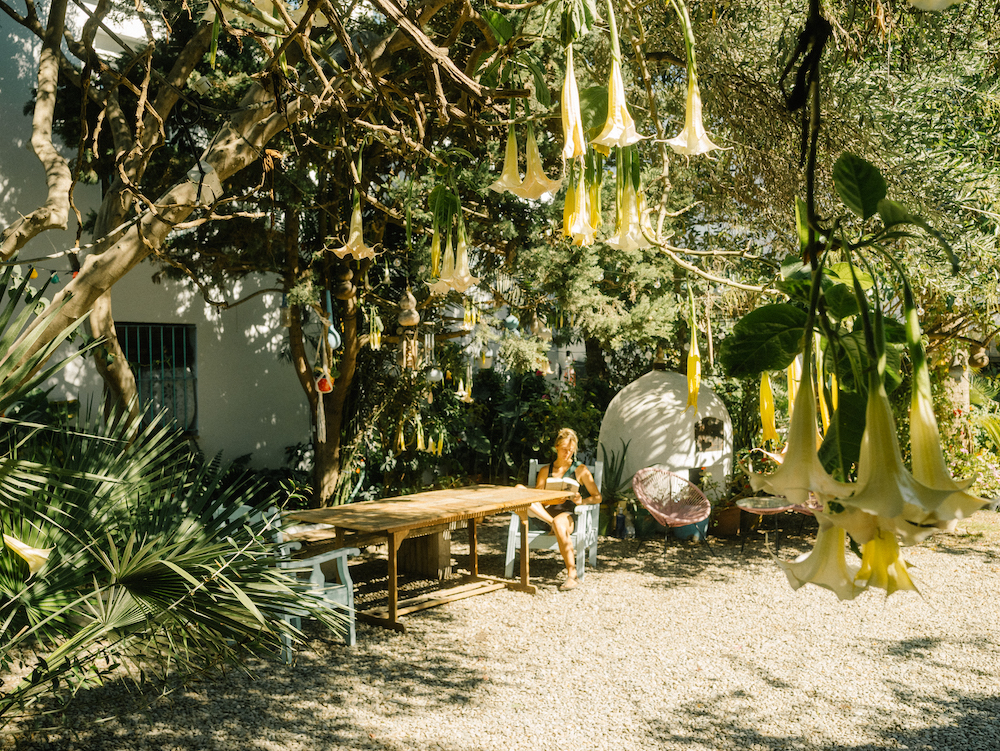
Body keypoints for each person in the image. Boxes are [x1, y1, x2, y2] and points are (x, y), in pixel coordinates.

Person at [528, 427, 601, 591]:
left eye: (571, 450)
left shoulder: (580, 470)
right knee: (520, 490)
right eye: (564, 449)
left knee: (559, 523)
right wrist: (552, 498)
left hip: (567, 516)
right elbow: (535, 497)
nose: (568, 453)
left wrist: (582, 501)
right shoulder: (545, 470)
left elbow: (597, 497)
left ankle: (572, 574)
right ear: (556, 447)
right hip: (544, 515)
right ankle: (551, 523)